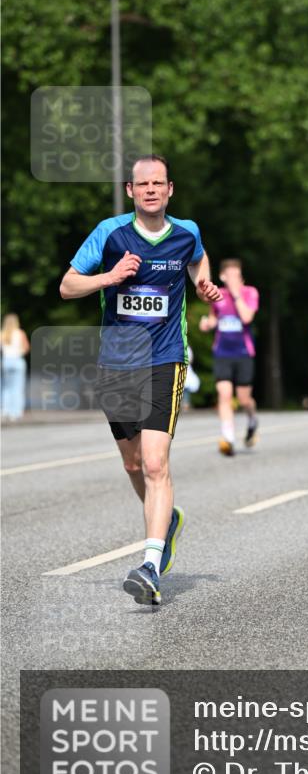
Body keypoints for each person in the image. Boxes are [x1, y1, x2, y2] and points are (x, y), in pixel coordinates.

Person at [60, 155, 221, 606]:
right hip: (116, 364)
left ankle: (150, 563)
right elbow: (67, 286)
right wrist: (109, 277)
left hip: (164, 359)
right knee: (133, 465)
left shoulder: (186, 232)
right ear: (130, 191)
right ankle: (167, 521)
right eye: (142, 184)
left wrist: (204, 284)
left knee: (155, 463)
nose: (151, 190)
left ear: (170, 189)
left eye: (159, 183)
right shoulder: (109, 233)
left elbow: (198, 260)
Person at [199, 258, 259, 455]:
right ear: (223, 276)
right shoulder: (218, 295)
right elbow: (215, 318)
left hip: (243, 352)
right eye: (230, 275)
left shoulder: (250, 292)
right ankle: (228, 437)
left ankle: (252, 419)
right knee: (224, 395)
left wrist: (236, 295)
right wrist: (207, 324)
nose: (234, 279)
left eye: (237, 275)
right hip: (222, 352)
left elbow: (247, 317)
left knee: (244, 400)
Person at [1, 313, 30, 421]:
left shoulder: (2, 334)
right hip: (17, 361)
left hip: (6, 361)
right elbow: (26, 348)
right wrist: (19, 352)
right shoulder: (20, 333)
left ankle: (5, 410)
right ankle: (16, 412)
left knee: (6, 387)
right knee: (17, 387)